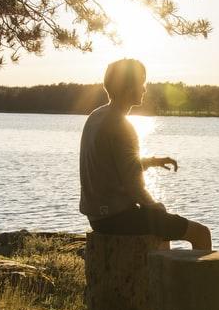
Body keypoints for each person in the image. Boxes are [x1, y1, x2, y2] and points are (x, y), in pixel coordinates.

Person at [80, 58, 211, 249]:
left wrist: (151, 162)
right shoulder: (122, 126)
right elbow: (134, 185)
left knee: (158, 217)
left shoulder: (96, 116)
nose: (144, 89)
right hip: (117, 218)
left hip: (97, 217)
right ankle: (189, 278)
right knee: (200, 233)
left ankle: (163, 272)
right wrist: (154, 205)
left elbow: (113, 165)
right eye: (141, 83)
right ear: (127, 88)